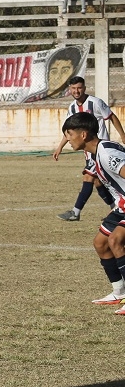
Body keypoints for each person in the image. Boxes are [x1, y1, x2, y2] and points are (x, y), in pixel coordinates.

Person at [61, 112, 125, 316]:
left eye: (69, 134)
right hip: (121, 205)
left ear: (83, 135)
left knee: (115, 240)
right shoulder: (94, 153)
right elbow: (94, 181)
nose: (67, 139)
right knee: (101, 243)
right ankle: (119, 292)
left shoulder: (107, 154)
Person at [53, 76, 125, 223]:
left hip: (99, 149)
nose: (76, 91)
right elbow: (71, 131)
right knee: (98, 182)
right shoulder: (72, 107)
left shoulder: (95, 102)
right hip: (88, 152)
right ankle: (115, 209)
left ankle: (75, 212)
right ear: (70, 89)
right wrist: (60, 146)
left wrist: (123, 135)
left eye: (79, 88)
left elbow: (111, 117)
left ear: (84, 88)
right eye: (73, 88)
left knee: (88, 177)